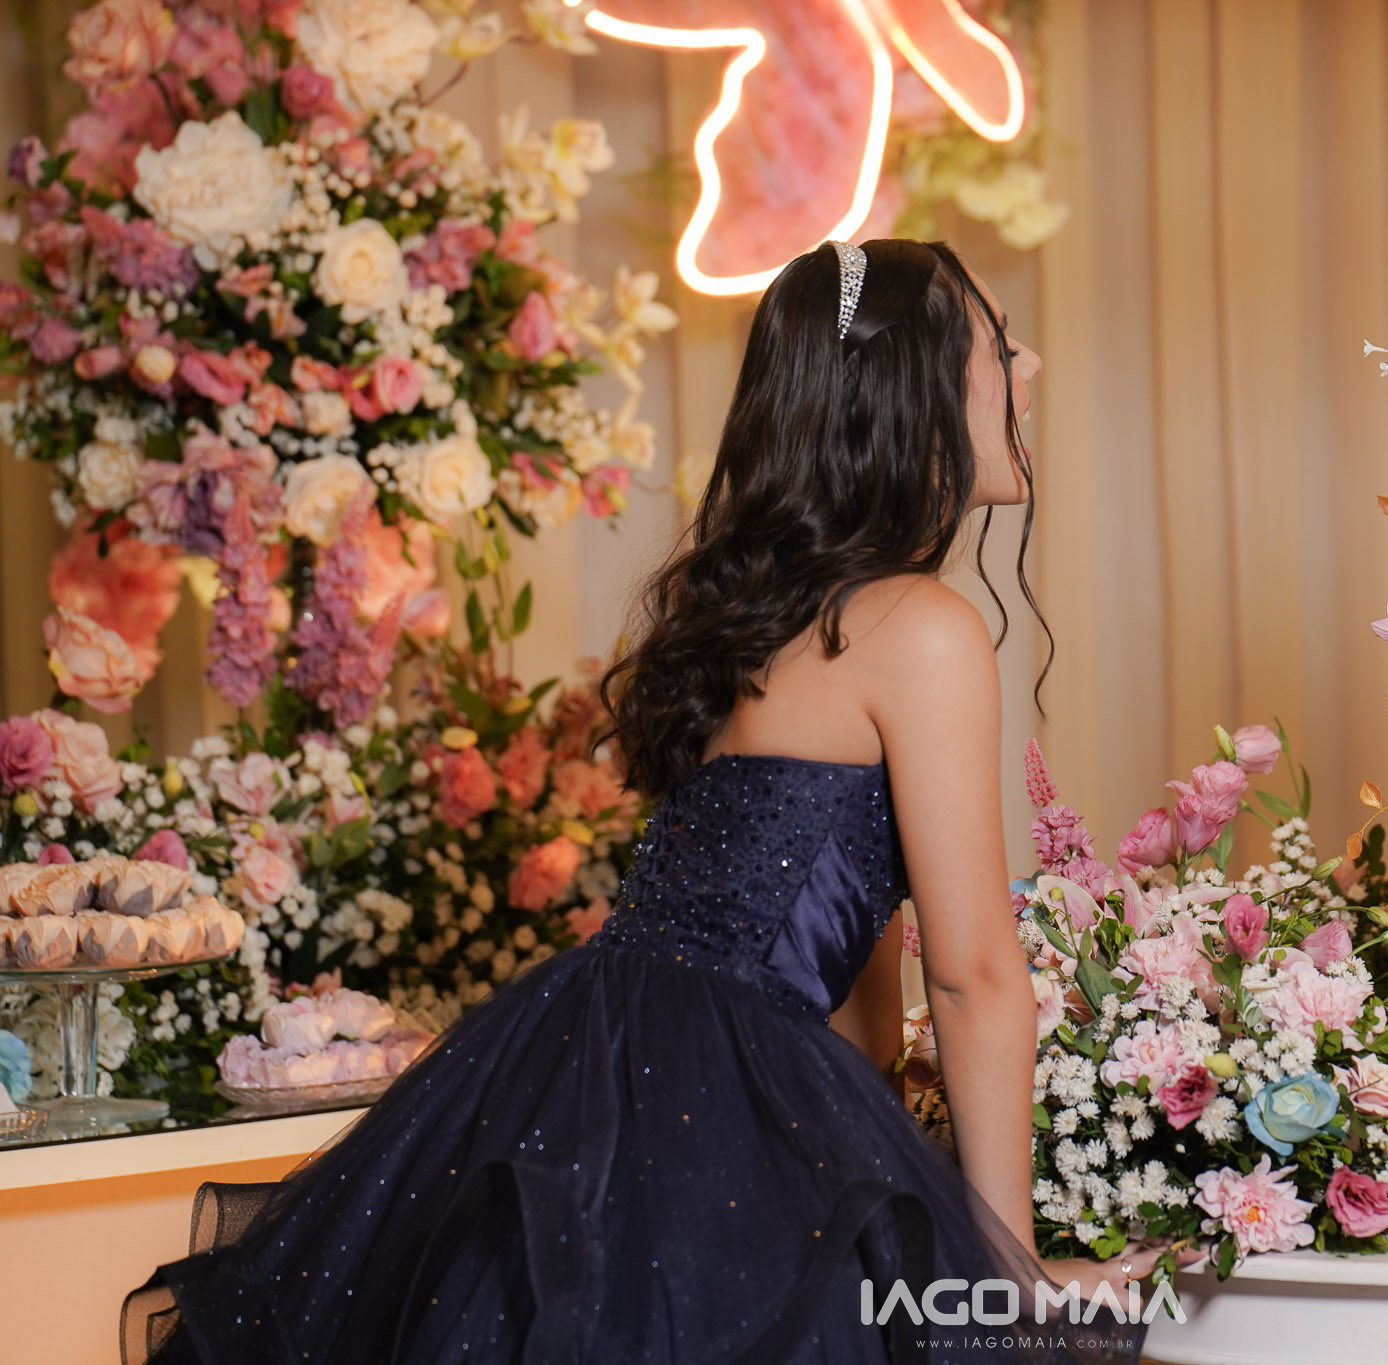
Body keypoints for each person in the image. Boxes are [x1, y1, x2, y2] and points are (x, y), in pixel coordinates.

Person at [122, 240, 1159, 1363]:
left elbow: (852, 932)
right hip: (710, 1097)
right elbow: (973, 976)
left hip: (594, 1055)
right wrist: (1005, 1276)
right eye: (1000, 345)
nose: (1031, 365)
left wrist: (876, 1165)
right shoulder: (919, 627)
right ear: (910, 386)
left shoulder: (768, 616)